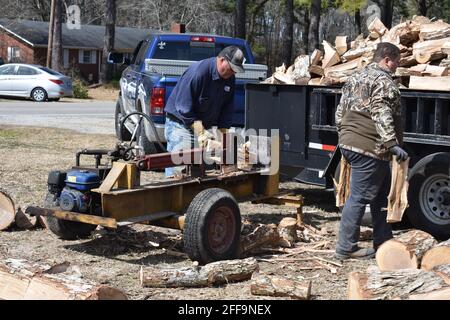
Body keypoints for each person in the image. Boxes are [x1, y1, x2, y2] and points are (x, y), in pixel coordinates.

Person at [334, 42, 409, 260]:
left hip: (350, 143)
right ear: (387, 59)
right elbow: (381, 110)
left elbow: (341, 111)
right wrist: (391, 143)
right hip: (370, 146)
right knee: (358, 197)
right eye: (396, 61)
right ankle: (346, 248)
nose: (397, 66)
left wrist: (345, 136)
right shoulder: (383, 81)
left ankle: (383, 241)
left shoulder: (355, 78)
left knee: (381, 195)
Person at [163, 46, 245, 177]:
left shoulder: (229, 78)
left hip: (202, 125)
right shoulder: (198, 72)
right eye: (231, 68)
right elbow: (184, 107)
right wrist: (200, 132)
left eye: (236, 70)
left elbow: (227, 107)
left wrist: (223, 132)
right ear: (222, 60)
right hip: (181, 123)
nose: (233, 73)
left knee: (200, 169)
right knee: (181, 167)